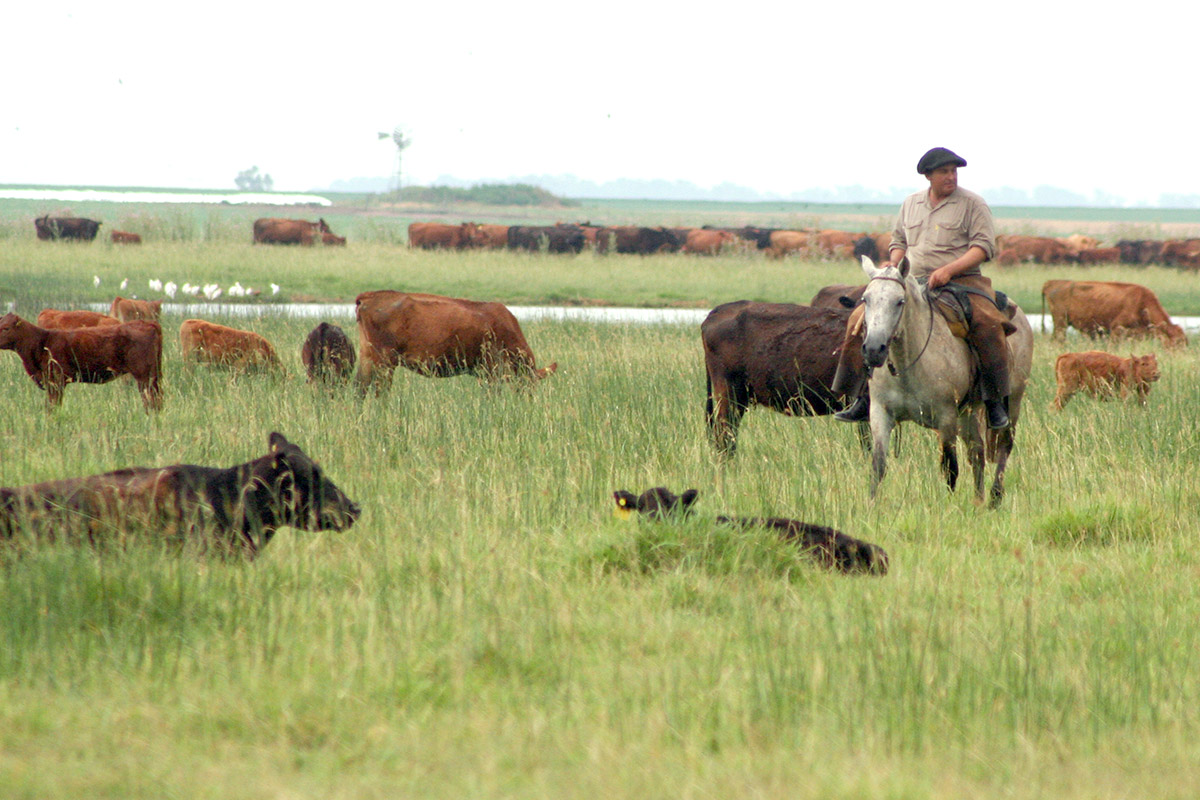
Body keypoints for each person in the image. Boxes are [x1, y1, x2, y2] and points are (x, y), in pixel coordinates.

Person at [832, 146, 1012, 429]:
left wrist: (948, 270)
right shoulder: (911, 204)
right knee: (859, 318)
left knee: (987, 323)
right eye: (944, 172)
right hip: (911, 280)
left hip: (963, 281)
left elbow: (983, 247)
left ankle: (994, 401)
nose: (951, 177)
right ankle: (860, 396)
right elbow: (898, 242)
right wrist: (893, 269)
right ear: (928, 175)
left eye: (954, 171)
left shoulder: (973, 204)